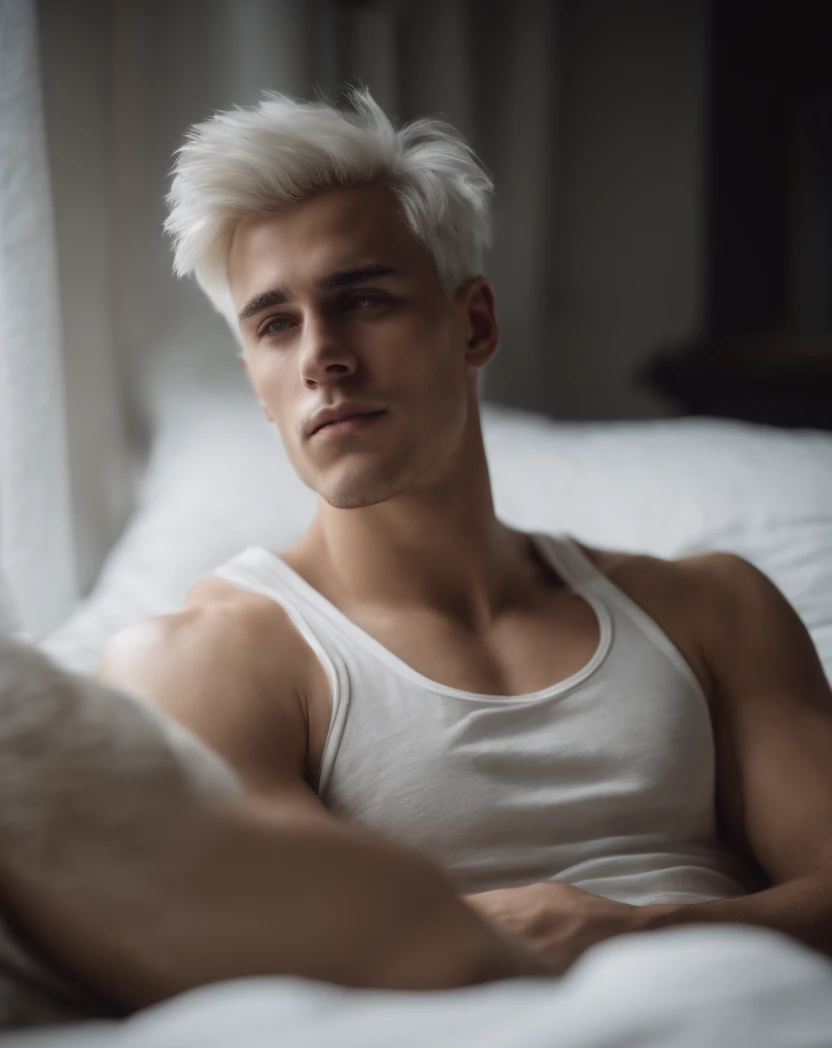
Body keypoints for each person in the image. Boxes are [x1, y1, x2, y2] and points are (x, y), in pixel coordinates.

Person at [100, 88, 832, 986]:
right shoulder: (208, 663)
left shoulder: (713, 609)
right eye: (275, 324)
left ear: (473, 323)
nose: (320, 356)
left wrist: (640, 934)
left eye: (362, 299)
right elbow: (274, 968)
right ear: (256, 382)